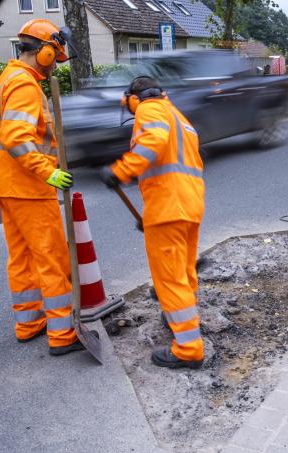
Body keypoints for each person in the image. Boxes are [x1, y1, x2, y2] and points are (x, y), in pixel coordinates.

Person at [0, 19, 89, 355]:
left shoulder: (4, 80)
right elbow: (16, 138)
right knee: (51, 257)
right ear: (44, 52)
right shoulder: (25, 85)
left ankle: (29, 322)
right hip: (28, 187)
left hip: (6, 185)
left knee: (22, 257)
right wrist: (48, 172)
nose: (55, 64)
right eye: (55, 56)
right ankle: (63, 333)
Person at [100, 76, 206, 369]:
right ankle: (177, 319)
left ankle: (188, 349)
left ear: (133, 98)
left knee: (169, 280)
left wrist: (120, 171)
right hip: (189, 205)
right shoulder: (177, 116)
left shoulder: (149, 109)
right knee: (184, 271)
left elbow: (153, 141)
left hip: (168, 207)